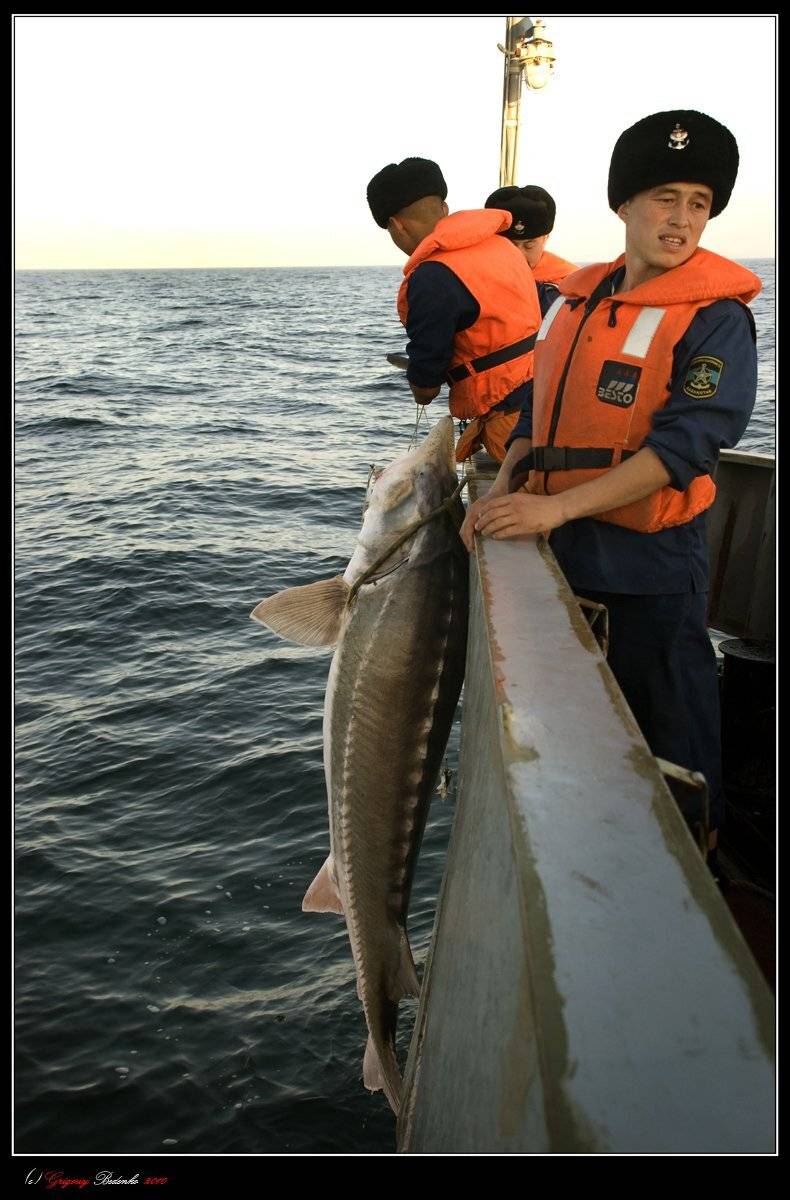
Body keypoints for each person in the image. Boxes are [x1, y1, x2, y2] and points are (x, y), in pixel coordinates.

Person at [460, 110, 761, 864]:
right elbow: (538, 402)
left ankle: (698, 878)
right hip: (561, 555)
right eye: (664, 197)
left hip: (650, 570)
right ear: (623, 205)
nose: (682, 218)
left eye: (699, 201)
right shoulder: (577, 299)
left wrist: (552, 506)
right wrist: (509, 486)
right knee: (576, 738)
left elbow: (688, 447)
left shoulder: (716, 320)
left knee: (671, 745)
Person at [366, 157, 542, 463]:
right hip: (546, 391)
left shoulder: (432, 276)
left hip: (510, 416)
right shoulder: (499, 245)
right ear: (444, 208)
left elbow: (427, 384)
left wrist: (420, 381)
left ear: (396, 225)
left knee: (521, 502)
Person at [454, 185, 579, 461]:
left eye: (529, 245)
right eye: (509, 246)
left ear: (545, 238)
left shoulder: (566, 290)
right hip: (499, 421)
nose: (519, 254)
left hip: (540, 427)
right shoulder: (470, 285)